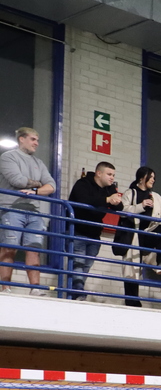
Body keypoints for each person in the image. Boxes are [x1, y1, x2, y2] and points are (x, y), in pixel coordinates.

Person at [0, 127, 56, 294]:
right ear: (21, 139)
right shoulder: (8, 157)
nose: (36, 143)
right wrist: (39, 184)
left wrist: (36, 191)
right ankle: (5, 288)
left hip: (34, 211)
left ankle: (35, 289)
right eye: (33, 139)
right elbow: (17, 180)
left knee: (34, 248)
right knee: (9, 247)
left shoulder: (39, 163)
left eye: (37, 140)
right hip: (11, 208)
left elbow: (51, 186)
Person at [118, 166, 161, 306]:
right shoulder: (130, 193)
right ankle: (132, 302)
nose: (153, 180)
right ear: (141, 178)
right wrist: (141, 205)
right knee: (132, 271)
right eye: (150, 177)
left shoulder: (156, 197)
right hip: (134, 236)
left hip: (148, 234)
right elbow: (123, 210)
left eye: (154, 178)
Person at [66, 162, 122, 300]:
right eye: (109, 174)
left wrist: (114, 201)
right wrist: (107, 200)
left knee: (87, 265)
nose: (112, 178)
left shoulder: (110, 188)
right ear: (99, 173)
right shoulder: (83, 183)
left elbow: (119, 207)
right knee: (78, 262)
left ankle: (76, 292)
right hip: (77, 229)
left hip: (95, 232)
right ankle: (78, 292)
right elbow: (85, 200)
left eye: (113, 175)